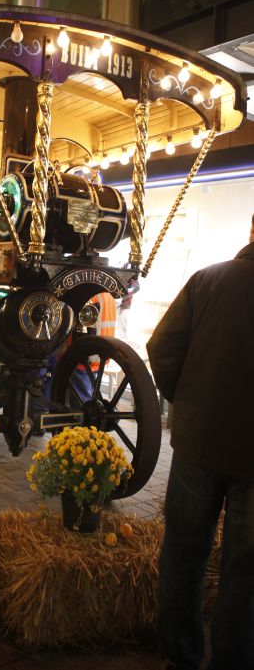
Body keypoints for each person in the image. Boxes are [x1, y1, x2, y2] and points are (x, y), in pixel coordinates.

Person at [146, 233, 254, 670]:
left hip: (198, 444)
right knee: (245, 572)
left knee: (183, 554)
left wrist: (187, 401)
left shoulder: (207, 280)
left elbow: (161, 348)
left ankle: (178, 656)